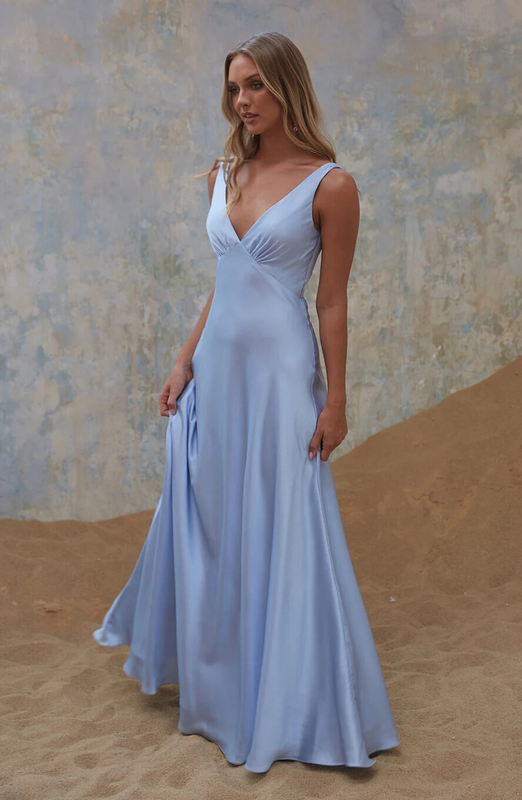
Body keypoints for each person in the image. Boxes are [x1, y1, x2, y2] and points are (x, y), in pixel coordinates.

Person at [93, 31, 400, 773]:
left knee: (283, 519)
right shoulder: (221, 175)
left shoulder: (331, 186)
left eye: (255, 85)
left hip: (279, 381)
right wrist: (182, 360)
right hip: (217, 376)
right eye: (234, 88)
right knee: (213, 517)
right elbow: (225, 281)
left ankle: (292, 696)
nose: (242, 100)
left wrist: (335, 398)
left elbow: (329, 304)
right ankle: (223, 682)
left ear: (286, 86)